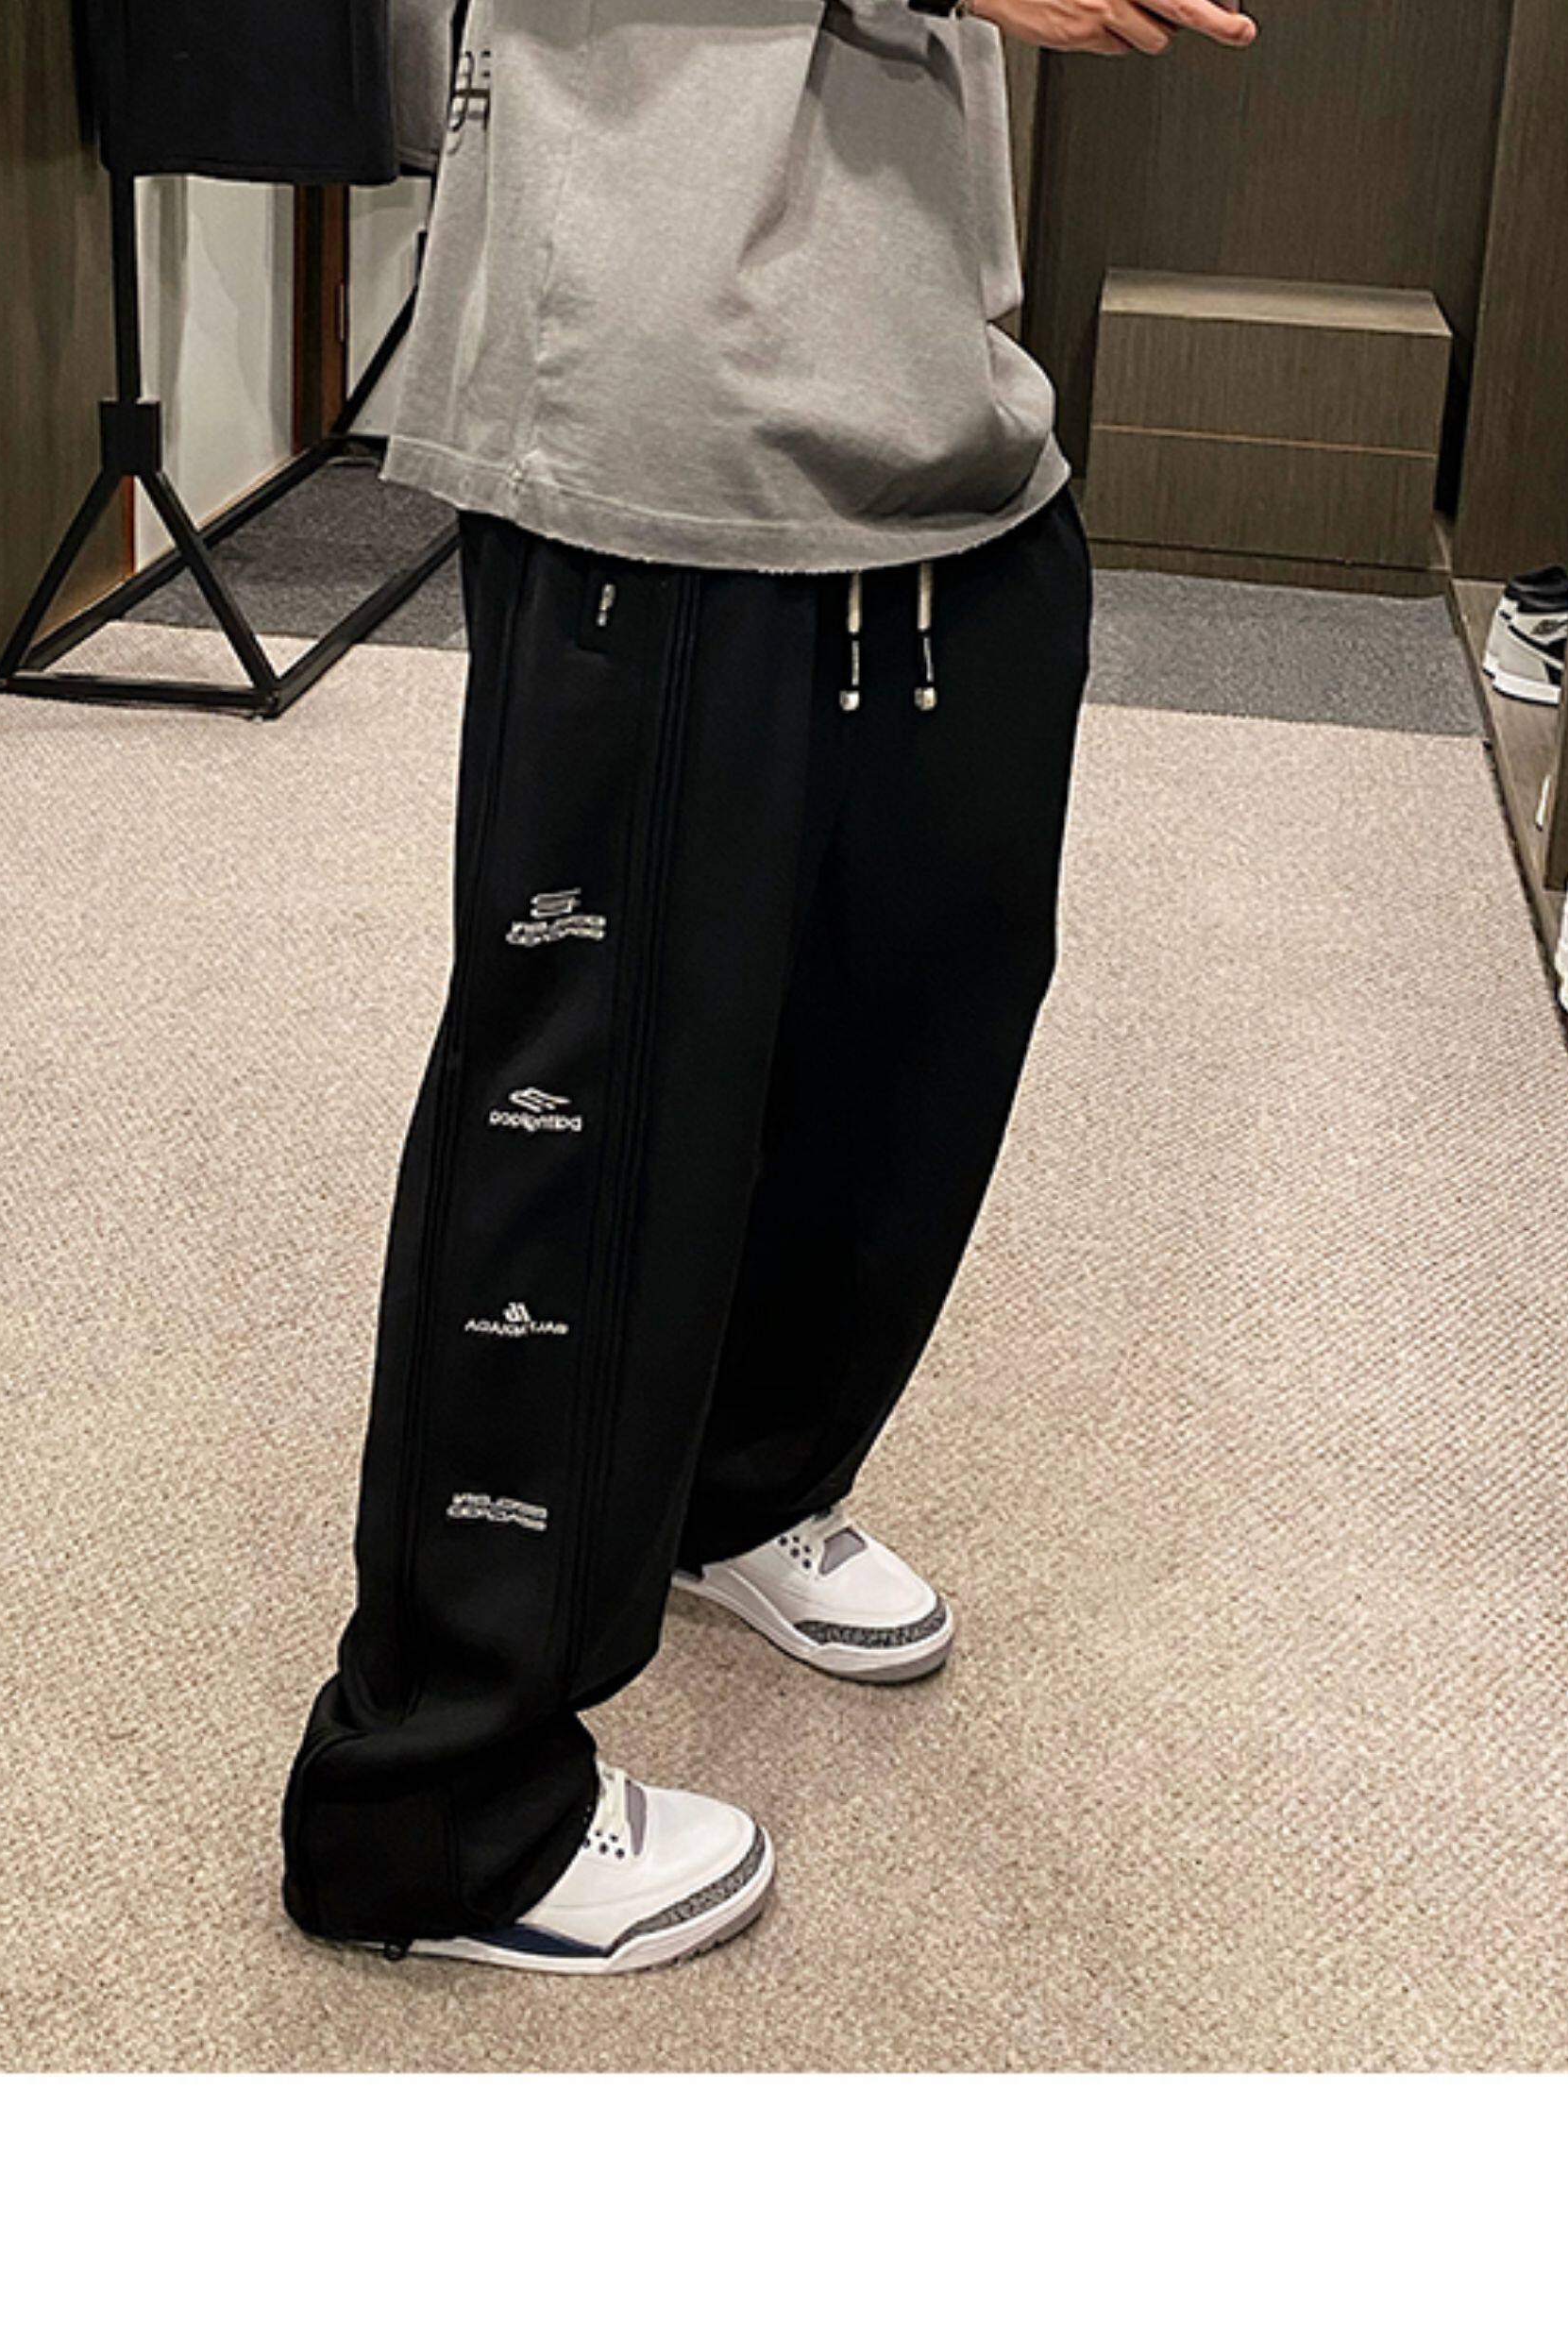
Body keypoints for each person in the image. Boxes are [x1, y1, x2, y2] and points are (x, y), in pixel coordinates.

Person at [282, 0, 1260, 1974]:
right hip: (659, 375)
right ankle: (434, 1798)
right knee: (597, 1103)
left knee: (921, 1001)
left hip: (930, 381)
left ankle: (729, 1485)